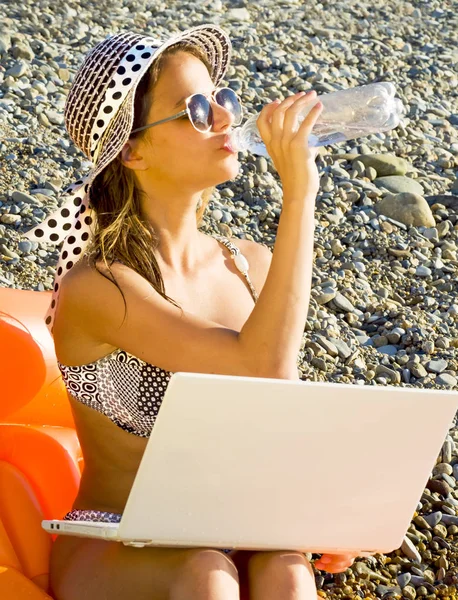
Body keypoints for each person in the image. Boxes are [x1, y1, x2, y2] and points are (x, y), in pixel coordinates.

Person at [23, 24, 357, 600]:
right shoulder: (102, 286)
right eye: (196, 110)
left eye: (222, 99)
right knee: (206, 574)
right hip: (118, 542)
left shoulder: (249, 264)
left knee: (287, 570)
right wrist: (299, 195)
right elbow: (262, 367)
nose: (226, 119)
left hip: (234, 526)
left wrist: (328, 511)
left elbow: (282, 413)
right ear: (132, 150)